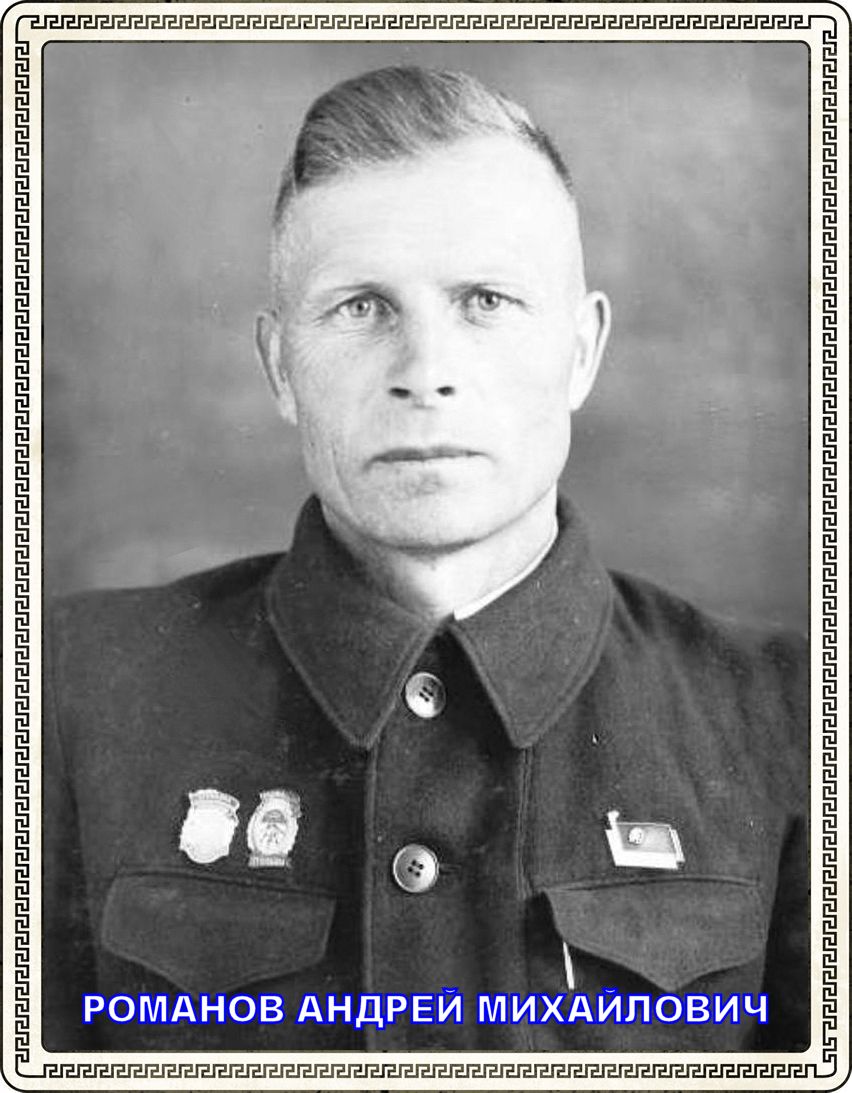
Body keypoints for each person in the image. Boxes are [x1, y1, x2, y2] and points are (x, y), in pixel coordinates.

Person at [43, 66, 808, 1053]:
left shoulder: (791, 718)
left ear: (581, 351)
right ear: (281, 367)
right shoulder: (65, 692)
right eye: (362, 307)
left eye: (486, 299)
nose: (426, 372)